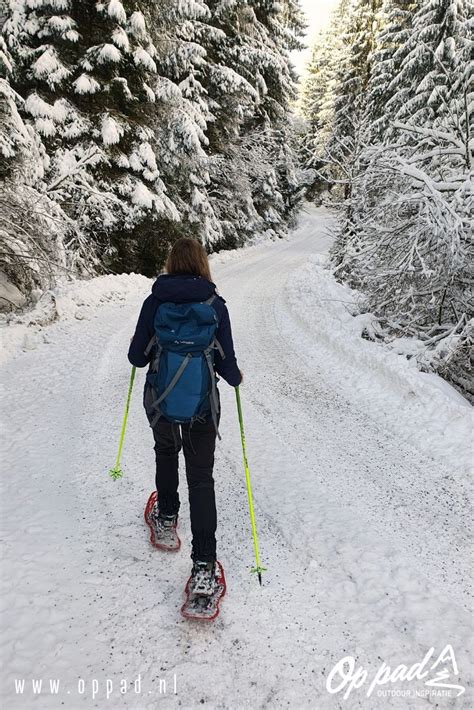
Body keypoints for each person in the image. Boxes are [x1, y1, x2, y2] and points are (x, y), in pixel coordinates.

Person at [128, 237, 242, 595]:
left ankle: (165, 519)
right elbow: (228, 367)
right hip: (202, 406)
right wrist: (236, 377)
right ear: (202, 265)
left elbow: (137, 357)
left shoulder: (154, 302)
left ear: (170, 263)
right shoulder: (215, 305)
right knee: (201, 478)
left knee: (165, 453)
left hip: (161, 401)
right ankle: (204, 571)